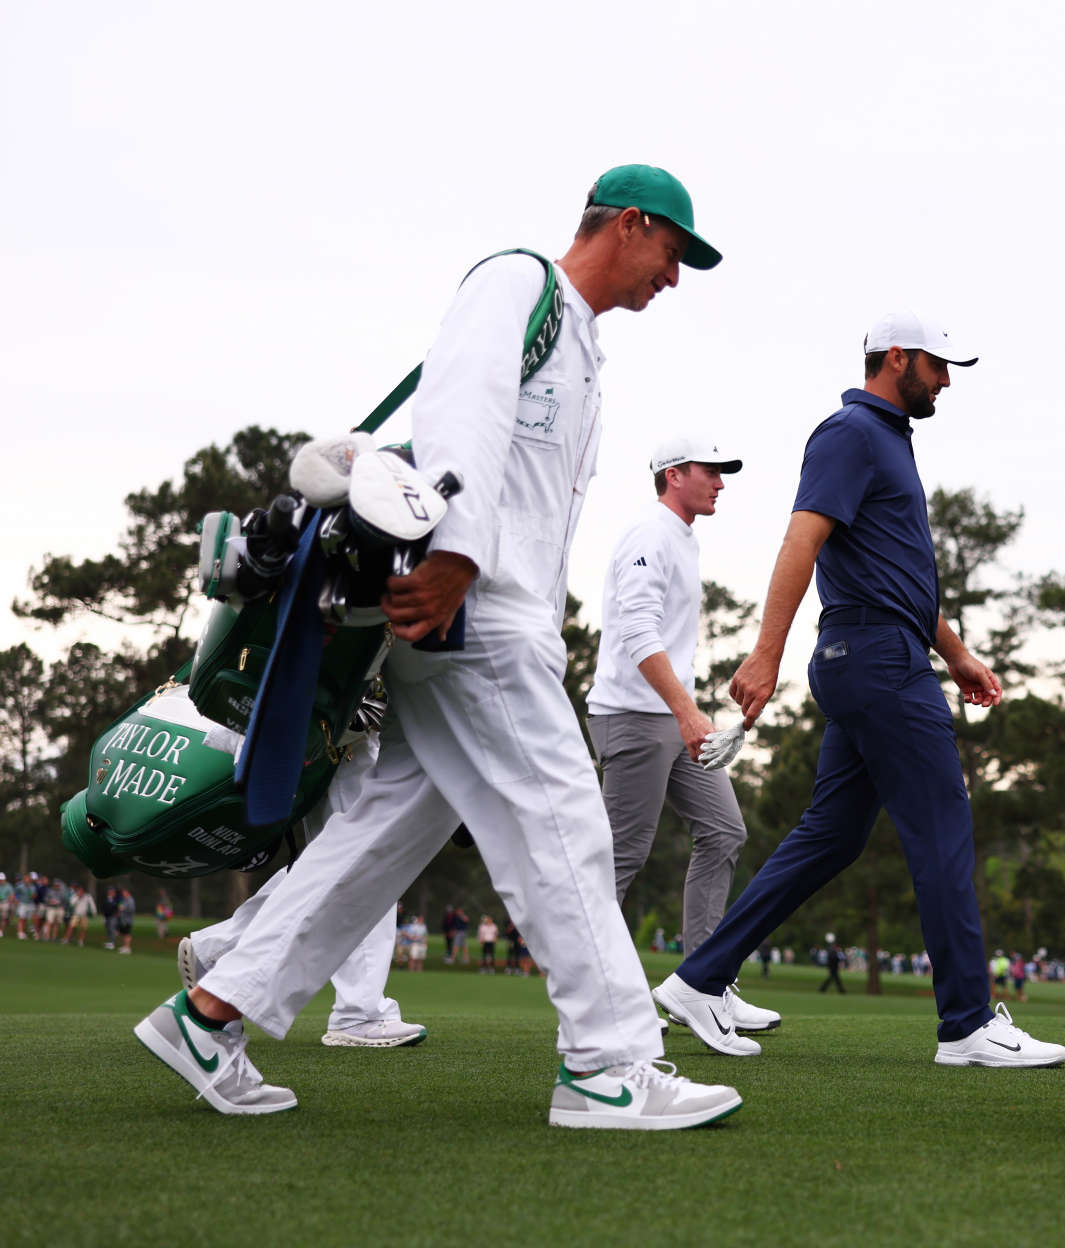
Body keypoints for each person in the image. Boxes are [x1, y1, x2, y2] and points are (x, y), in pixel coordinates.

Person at [131, 163, 740, 1130]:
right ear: (626, 225)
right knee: (566, 827)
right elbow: (463, 407)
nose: (675, 275)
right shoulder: (518, 283)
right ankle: (609, 1068)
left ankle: (211, 1013)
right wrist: (456, 552)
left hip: (487, 609)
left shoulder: (582, 345)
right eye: (673, 251)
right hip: (471, 609)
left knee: (378, 836)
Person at [650, 311, 1065, 1069]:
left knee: (832, 835)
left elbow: (899, 576)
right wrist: (764, 655)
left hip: (879, 651)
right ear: (898, 358)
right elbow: (800, 541)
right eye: (939, 366)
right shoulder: (850, 433)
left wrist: (960, 655)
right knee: (943, 827)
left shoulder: (887, 441)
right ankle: (968, 1025)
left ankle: (700, 979)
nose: (945, 381)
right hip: (874, 659)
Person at [584, 433, 777, 1034]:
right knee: (620, 859)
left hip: (667, 717)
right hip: (633, 718)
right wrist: (689, 713)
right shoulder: (649, 533)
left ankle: (705, 984)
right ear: (674, 474)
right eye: (710, 471)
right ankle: (602, 1003)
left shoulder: (681, 538)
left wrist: (685, 714)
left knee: (724, 832)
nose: (720, 482)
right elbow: (638, 632)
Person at [179, 744, 428, 1047]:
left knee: (339, 862)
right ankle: (360, 1012)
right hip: (341, 743)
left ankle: (217, 948)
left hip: (344, 742)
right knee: (367, 862)